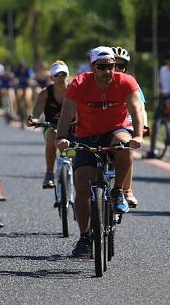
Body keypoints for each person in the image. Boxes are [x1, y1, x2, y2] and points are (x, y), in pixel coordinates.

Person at [56, 46, 145, 257]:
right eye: (102, 67)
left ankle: (118, 191)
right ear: (92, 67)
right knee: (82, 185)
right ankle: (85, 237)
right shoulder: (79, 83)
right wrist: (61, 137)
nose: (108, 71)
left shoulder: (126, 81)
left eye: (111, 67)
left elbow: (136, 108)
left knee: (123, 144)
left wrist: (138, 135)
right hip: (86, 135)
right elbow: (67, 112)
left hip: (117, 130)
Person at [111, 46, 148, 208]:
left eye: (121, 66)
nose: (117, 69)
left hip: (125, 124)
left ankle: (127, 190)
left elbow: (140, 108)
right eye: (114, 65)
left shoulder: (132, 84)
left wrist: (142, 127)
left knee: (127, 148)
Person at [26, 60, 71, 189]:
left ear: (67, 75)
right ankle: (49, 173)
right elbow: (35, 113)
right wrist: (32, 119)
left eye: (63, 74)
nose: (60, 77)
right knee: (53, 137)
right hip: (51, 126)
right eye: (57, 75)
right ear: (52, 77)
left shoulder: (74, 91)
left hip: (72, 126)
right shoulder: (45, 93)